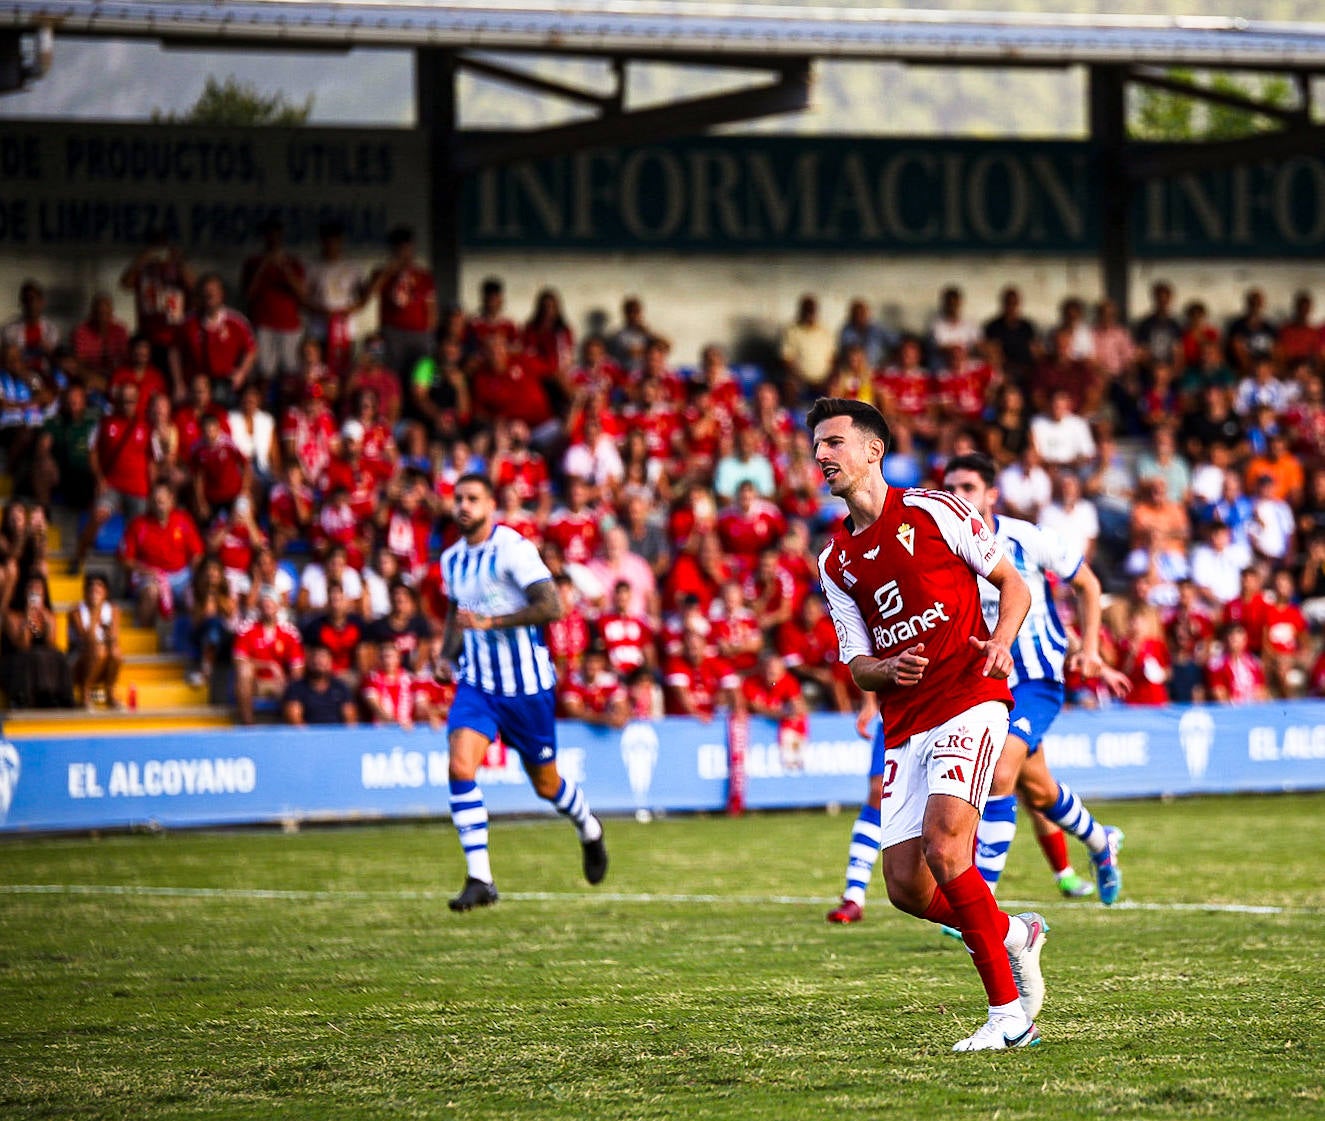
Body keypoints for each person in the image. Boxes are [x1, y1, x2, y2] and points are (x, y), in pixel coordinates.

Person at [810, 396, 1045, 1052]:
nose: (820, 456)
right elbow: (856, 663)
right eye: (815, 448)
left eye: (832, 443)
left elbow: (1013, 583)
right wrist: (885, 667)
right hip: (905, 720)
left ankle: (1008, 1017)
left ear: (872, 450)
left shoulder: (933, 507)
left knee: (947, 848)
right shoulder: (834, 563)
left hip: (970, 694)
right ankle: (1012, 934)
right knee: (906, 888)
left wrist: (1001, 639)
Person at [941, 453, 1127, 907]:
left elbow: (1088, 585)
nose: (957, 497)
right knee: (1038, 789)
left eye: (968, 488)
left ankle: (979, 901)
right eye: (950, 489)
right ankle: (1101, 842)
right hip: (982, 686)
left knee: (999, 773)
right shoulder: (944, 548)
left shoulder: (1025, 538)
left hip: (1036, 678)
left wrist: (1089, 649)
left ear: (990, 494)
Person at [438, 473, 608, 911]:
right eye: (458, 498)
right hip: (477, 684)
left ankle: (589, 827)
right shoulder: (452, 560)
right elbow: (457, 616)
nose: (463, 505)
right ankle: (481, 878)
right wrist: (445, 656)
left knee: (547, 785)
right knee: (460, 765)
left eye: (472, 498)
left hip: (527, 687)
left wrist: (491, 623)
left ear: (490, 504)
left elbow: (552, 606)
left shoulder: (512, 549)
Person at [67, 571, 123, 709]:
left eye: (99, 586)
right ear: (85, 591)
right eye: (90, 586)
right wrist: (95, 613)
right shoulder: (76, 611)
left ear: (106, 592)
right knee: (99, 651)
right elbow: (86, 640)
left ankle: (110, 693)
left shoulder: (113, 610)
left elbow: (114, 638)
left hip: (102, 656)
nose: (94, 589)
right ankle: (85, 693)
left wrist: (108, 634)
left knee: (115, 652)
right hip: (79, 658)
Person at [282, 644, 357, 726]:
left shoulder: (341, 687)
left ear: (330, 662)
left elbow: (350, 721)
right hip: (307, 736)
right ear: (309, 662)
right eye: (315, 657)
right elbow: (295, 720)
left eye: (323, 657)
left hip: (336, 735)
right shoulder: (296, 688)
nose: (319, 661)